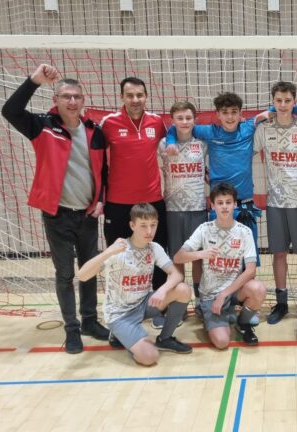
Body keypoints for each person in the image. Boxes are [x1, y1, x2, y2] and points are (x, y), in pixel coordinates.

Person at [1, 64, 110, 354]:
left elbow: (103, 170)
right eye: (65, 96)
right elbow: (10, 111)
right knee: (64, 275)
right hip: (57, 215)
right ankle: (72, 329)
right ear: (56, 99)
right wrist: (34, 80)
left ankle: (89, 321)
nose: (72, 101)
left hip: (87, 215)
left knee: (89, 271)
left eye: (76, 96)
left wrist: (101, 199)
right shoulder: (42, 126)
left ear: (83, 100)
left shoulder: (95, 131)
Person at [164, 93, 297, 267]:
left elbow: (279, 108)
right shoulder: (209, 132)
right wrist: (170, 141)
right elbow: (178, 128)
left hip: (245, 205)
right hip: (220, 207)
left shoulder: (249, 127)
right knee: (221, 262)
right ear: (218, 115)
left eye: (234, 112)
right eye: (225, 112)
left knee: (248, 263)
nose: (230, 117)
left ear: (241, 114)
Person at [76, 203, 192, 366]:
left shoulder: (154, 248)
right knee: (150, 357)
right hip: (120, 314)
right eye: (143, 226)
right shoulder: (119, 249)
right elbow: (82, 276)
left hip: (143, 304)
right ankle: (119, 333)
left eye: (153, 225)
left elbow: (177, 274)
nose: (149, 231)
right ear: (132, 225)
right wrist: (108, 252)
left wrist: (162, 290)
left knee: (183, 290)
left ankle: (165, 339)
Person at [100, 77, 169, 329]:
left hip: (152, 201)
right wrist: (99, 198)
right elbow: (96, 161)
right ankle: (118, 312)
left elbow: (175, 140)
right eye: (130, 95)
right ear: (122, 97)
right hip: (118, 203)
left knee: (158, 255)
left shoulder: (157, 122)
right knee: (117, 259)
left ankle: (160, 309)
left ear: (146, 96)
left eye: (140, 95)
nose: (135, 100)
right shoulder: (108, 123)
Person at [254, 81, 297, 325]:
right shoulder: (264, 129)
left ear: (294, 102)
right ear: (273, 102)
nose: (283, 105)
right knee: (279, 253)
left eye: (287, 101)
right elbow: (248, 149)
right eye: (278, 101)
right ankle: (281, 302)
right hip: (276, 202)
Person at [174, 183, 267, 349]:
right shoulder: (204, 229)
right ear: (212, 205)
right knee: (222, 342)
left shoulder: (244, 232)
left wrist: (224, 294)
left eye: (228, 202)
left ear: (235, 204)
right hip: (211, 294)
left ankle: (243, 323)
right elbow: (178, 257)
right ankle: (209, 314)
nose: (224, 206)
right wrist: (201, 254)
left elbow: (250, 270)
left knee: (258, 289)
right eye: (220, 202)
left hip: (232, 291)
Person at [159, 101, 207, 315]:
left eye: (188, 118)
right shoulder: (163, 144)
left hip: (197, 209)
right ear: (172, 121)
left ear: (195, 120)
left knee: (197, 257)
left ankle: (200, 302)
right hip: (173, 208)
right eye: (180, 118)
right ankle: (179, 305)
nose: (185, 122)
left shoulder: (202, 144)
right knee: (177, 257)